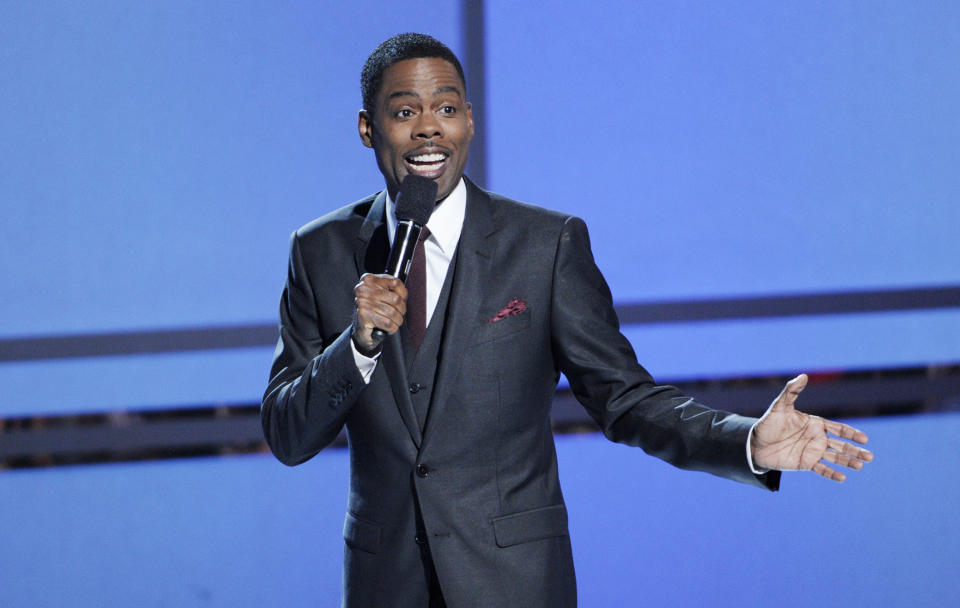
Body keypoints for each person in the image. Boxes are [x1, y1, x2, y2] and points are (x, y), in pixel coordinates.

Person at [261, 33, 873, 608]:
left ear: (469, 120)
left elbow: (625, 399)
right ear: (368, 129)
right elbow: (288, 435)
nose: (428, 129)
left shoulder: (544, 244)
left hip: (516, 582)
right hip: (383, 584)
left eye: (446, 109)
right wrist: (357, 346)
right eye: (404, 112)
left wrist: (744, 442)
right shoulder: (320, 251)